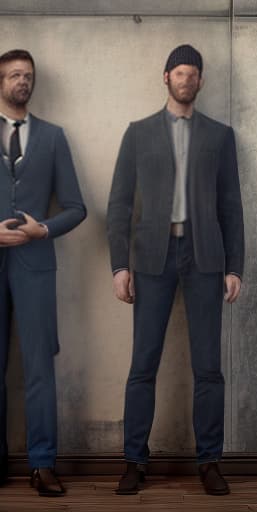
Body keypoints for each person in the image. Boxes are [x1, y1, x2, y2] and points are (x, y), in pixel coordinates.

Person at [107, 44, 244, 496]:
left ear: (201, 82)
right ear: (166, 77)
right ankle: (133, 461)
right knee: (143, 363)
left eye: (194, 73)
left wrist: (235, 266)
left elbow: (231, 206)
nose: (187, 79)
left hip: (205, 255)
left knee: (209, 367)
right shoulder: (138, 133)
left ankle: (210, 462)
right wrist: (119, 265)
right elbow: (119, 205)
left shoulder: (220, 136)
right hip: (151, 256)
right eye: (179, 72)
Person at [0, 49, 86, 496]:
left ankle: (42, 464)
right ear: (1, 82)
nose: (22, 81)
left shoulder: (53, 137)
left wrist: (43, 229)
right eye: (14, 75)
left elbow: (77, 208)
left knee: (38, 367)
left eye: (28, 75)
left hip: (35, 265)